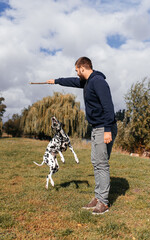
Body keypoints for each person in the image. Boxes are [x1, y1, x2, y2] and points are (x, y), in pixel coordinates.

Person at [47, 57, 117, 215]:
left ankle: (103, 202)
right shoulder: (87, 81)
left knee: (101, 164)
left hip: (104, 127)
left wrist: (107, 130)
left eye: (77, 70)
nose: (76, 73)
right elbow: (72, 81)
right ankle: (98, 197)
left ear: (82, 68)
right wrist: (56, 81)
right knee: (96, 162)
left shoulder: (98, 81)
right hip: (97, 128)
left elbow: (108, 106)